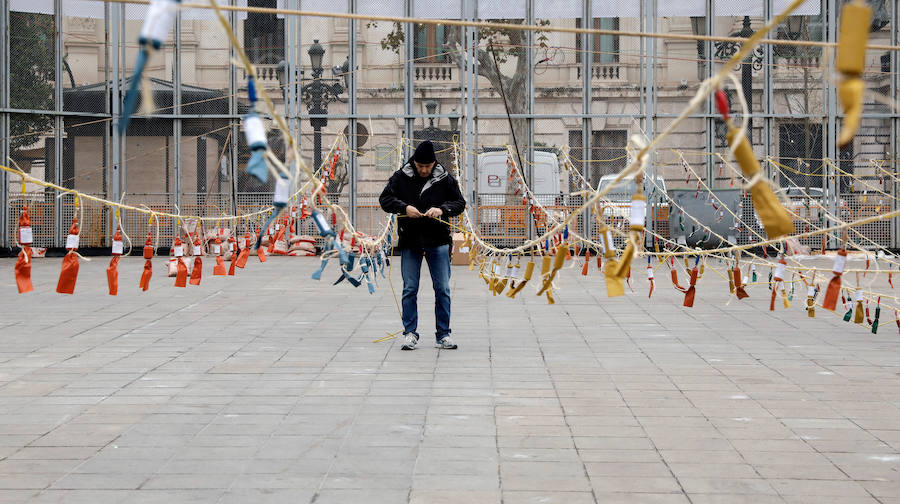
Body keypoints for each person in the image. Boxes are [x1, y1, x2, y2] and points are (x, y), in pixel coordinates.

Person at [379, 140, 466, 350]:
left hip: (438, 240)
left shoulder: (444, 177)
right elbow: (385, 199)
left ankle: (443, 334)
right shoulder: (401, 176)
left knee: (443, 288)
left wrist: (442, 209)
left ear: (434, 163)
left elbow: (460, 203)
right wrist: (404, 207)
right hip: (410, 240)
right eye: (421, 166)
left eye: (428, 166)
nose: (425, 170)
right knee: (410, 288)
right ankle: (410, 333)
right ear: (414, 163)